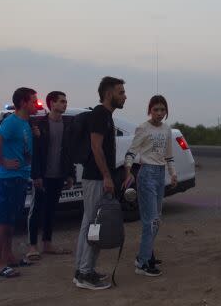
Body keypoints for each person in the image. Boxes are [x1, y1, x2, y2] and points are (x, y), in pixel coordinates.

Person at [73, 76, 127, 290]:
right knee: (96, 225)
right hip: (96, 178)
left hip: (95, 178)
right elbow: (96, 148)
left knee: (89, 224)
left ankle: (82, 270)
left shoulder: (106, 116)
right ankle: (85, 274)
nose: (124, 96)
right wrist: (106, 176)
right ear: (108, 94)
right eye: (120, 92)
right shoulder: (99, 115)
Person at [124, 95, 177, 277]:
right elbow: (131, 152)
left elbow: (168, 155)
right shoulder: (143, 128)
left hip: (160, 174)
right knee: (151, 221)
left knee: (156, 220)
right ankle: (142, 262)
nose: (160, 113)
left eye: (163, 110)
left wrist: (173, 172)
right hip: (146, 174)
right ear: (150, 110)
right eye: (156, 109)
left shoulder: (167, 129)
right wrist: (128, 171)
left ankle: (147, 254)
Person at [0, 87, 38, 279]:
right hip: (10, 178)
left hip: (20, 176)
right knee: (2, 221)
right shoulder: (12, 122)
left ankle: (8, 257)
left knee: (10, 221)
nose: (36, 104)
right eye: (33, 101)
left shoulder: (25, 123)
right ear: (24, 103)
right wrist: (4, 162)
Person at [26, 91, 75, 261]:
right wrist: (36, 175)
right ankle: (33, 246)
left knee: (51, 210)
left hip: (58, 174)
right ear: (52, 104)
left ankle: (47, 243)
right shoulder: (40, 124)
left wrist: (70, 174)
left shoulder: (67, 124)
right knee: (37, 209)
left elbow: (69, 152)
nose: (65, 104)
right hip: (43, 175)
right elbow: (36, 153)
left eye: (65, 101)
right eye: (61, 101)